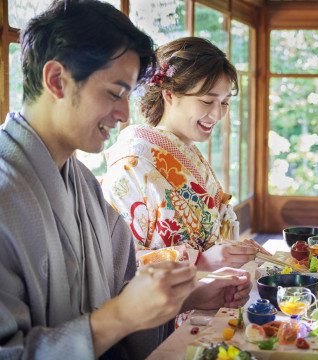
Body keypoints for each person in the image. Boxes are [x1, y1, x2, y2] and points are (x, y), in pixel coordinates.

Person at [0, 2, 252, 359]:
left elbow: (122, 286)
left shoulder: (83, 183)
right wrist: (118, 318)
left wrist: (190, 295)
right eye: (114, 92)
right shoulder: (5, 192)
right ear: (56, 80)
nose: (123, 114)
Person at [101, 37, 271, 272]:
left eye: (224, 103)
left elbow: (209, 242)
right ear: (169, 95)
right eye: (207, 101)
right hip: (159, 305)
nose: (217, 114)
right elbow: (113, 262)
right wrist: (200, 261)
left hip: (205, 296)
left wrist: (237, 251)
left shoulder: (187, 152)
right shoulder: (132, 163)